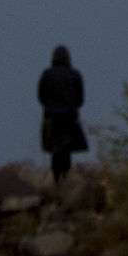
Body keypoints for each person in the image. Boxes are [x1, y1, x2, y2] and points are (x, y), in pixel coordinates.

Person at [37, 45, 87, 183]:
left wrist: (49, 108)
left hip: (51, 117)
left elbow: (41, 96)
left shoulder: (47, 74)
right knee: (66, 149)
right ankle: (65, 178)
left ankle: (56, 179)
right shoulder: (74, 74)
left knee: (55, 149)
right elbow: (80, 99)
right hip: (69, 117)